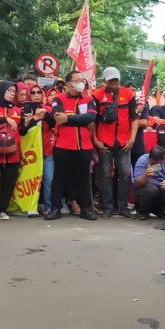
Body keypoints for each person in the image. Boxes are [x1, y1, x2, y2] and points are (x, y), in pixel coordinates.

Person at [45, 71, 98, 221]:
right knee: (59, 178)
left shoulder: (88, 100)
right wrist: (79, 120)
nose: (81, 83)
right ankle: (55, 209)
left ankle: (85, 209)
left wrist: (68, 118)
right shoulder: (59, 99)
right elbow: (57, 117)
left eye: (82, 80)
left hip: (84, 146)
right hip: (63, 145)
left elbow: (91, 117)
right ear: (69, 84)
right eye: (77, 80)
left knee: (83, 178)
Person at [0, 81, 34, 220]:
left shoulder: (17, 110)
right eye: (9, 90)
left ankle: (0, 210)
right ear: (1, 91)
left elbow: (21, 132)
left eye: (13, 91)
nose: (12, 94)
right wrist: (3, 119)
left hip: (12, 153)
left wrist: (28, 123)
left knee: (8, 183)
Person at [92, 67, 138, 218]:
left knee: (125, 174)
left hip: (124, 141)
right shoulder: (97, 95)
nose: (114, 82)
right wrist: (96, 140)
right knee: (105, 175)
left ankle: (123, 207)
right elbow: (93, 120)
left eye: (116, 80)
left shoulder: (129, 94)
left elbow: (134, 119)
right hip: (104, 141)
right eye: (110, 80)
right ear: (104, 80)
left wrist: (132, 139)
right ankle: (107, 207)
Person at [133, 145, 165, 224]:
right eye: (152, 162)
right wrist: (145, 176)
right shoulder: (142, 160)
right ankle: (143, 211)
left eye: (156, 163)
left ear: (163, 160)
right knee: (151, 190)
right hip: (146, 186)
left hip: (162, 186)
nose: (154, 164)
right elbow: (138, 183)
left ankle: (159, 210)